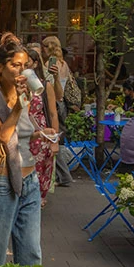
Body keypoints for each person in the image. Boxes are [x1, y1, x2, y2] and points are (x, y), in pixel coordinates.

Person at [0, 41, 50, 267]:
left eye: (25, 65)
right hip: (4, 180)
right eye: (16, 65)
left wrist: (40, 134)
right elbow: (2, 135)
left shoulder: (26, 94)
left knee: (31, 254)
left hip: (30, 179)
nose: (22, 71)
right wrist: (18, 104)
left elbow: (20, 136)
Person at [42, 36, 79, 188]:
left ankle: (63, 175)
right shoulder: (63, 64)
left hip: (55, 102)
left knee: (53, 138)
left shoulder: (50, 65)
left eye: (44, 46)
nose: (42, 49)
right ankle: (62, 175)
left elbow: (49, 84)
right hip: (62, 104)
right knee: (58, 139)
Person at [25, 48, 60, 205]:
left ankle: (37, 199)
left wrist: (54, 141)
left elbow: (53, 114)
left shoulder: (44, 86)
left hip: (42, 134)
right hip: (23, 133)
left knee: (41, 169)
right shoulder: (17, 85)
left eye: (27, 62)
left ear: (35, 63)